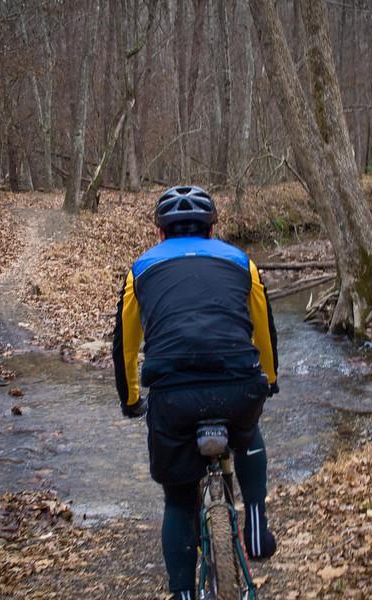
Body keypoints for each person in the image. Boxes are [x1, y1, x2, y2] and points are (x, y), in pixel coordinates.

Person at [113, 185, 279, 599]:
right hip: (237, 386)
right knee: (248, 431)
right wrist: (270, 381)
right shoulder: (242, 262)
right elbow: (264, 332)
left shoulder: (140, 270)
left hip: (172, 397)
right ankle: (255, 521)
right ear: (212, 230)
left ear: (160, 233)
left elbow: (126, 347)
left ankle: (183, 593)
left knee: (178, 500)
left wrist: (132, 399)